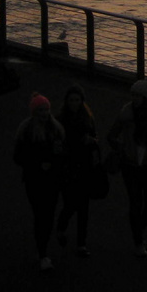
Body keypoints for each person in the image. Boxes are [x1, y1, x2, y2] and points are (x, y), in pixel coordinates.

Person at [107, 77, 147, 257]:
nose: (134, 98)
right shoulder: (126, 113)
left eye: (138, 95)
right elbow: (111, 135)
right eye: (132, 95)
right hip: (130, 164)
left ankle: (138, 232)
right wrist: (122, 149)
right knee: (136, 202)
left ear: (146, 97)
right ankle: (138, 241)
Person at [13, 93, 65, 271]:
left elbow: (61, 154)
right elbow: (18, 156)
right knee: (41, 214)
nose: (44, 113)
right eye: (41, 110)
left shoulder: (56, 129)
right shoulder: (27, 130)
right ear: (34, 111)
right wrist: (37, 164)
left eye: (46, 110)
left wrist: (55, 163)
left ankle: (42, 247)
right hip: (34, 179)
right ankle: (42, 251)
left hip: (52, 179)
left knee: (47, 215)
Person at [55, 85, 99, 256]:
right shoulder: (60, 120)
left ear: (82, 101)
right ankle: (62, 225)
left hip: (84, 166)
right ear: (67, 101)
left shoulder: (87, 118)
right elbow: (60, 144)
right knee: (70, 203)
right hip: (68, 167)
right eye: (72, 100)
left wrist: (93, 142)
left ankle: (82, 243)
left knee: (83, 207)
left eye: (77, 100)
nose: (74, 103)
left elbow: (94, 138)